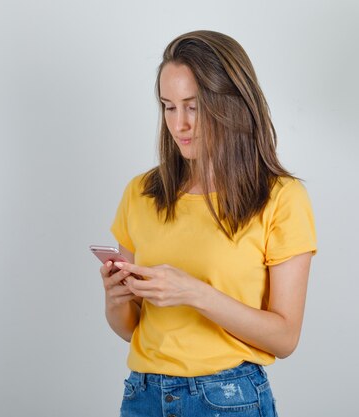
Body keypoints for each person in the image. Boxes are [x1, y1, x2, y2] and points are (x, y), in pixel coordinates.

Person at [100, 30, 317, 417]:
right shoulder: (142, 193)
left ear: (230, 104)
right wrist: (116, 300)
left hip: (227, 398)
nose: (179, 124)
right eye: (168, 107)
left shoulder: (281, 198)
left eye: (193, 106)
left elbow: (285, 338)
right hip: (143, 396)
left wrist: (195, 293)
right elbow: (131, 328)